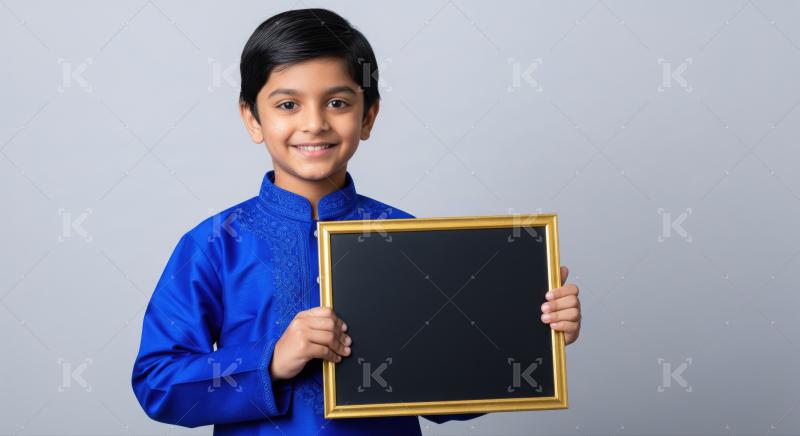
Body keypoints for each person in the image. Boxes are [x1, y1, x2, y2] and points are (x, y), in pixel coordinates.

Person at [131, 8, 582, 435]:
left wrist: (533, 337)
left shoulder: (409, 240)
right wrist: (268, 361)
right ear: (252, 118)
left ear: (368, 116)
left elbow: (450, 396)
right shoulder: (213, 244)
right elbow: (158, 382)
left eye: (338, 103)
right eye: (288, 105)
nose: (314, 123)